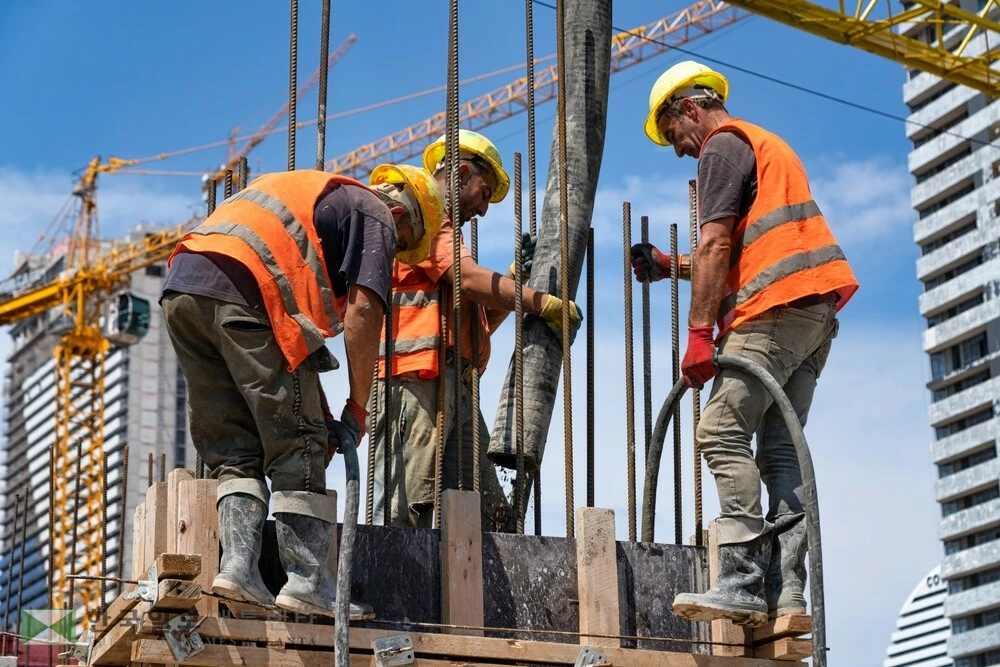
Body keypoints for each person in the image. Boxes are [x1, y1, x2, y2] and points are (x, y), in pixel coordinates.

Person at [160, 164, 444, 619]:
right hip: (249, 295)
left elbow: (290, 364)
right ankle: (309, 583)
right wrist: (358, 404)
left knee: (235, 450)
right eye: (405, 245)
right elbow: (364, 311)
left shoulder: (312, 196)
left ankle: (238, 572)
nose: (394, 258)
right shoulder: (376, 214)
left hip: (183, 290)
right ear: (402, 213)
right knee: (302, 447)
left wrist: (318, 408)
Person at [634, 61, 858, 626]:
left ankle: (740, 579)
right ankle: (788, 597)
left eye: (673, 133)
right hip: (815, 311)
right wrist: (669, 267)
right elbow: (738, 252)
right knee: (781, 452)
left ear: (689, 109)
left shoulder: (721, 145)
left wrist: (699, 334)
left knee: (719, 429)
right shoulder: (764, 142)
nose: (679, 150)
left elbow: (715, 244)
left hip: (774, 312)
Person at [370, 130, 581, 530]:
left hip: (456, 383)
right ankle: (387, 589)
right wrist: (536, 299)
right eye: (484, 194)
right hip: (414, 379)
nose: (483, 211)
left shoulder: (448, 232)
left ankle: (475, 589)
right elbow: (467, 280)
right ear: (462, 173)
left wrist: (514, 285)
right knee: (407, 508)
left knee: (488, 515)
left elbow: (474, 321)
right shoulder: (419, 209)